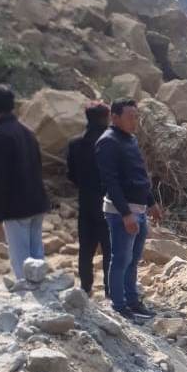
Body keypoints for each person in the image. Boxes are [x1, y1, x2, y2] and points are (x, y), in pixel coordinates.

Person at [95, 98, 162, 320]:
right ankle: (119, 305)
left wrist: (151, 203)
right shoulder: (107, 142)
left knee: (133, 260)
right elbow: (110, 182)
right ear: (115, 117)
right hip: (120, 212)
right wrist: (126, 214)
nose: (135, 121)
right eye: (130, 116)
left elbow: (140, 176)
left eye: (136, 116)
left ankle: (132, 301)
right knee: (121, 259)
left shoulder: (130, 139)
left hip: (139, 210)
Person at [0, 84, 50, 281]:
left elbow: (1, 179)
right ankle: (45, 301)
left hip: (16, 208)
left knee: (21, 262)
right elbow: (38, 169)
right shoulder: (27, 132)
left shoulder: (0, 135)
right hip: (36, 203)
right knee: (37, 257)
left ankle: (29, 304)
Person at [67, 102, 112, 297]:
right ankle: (111, 290)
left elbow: (71, 175)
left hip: (86, 201)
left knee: (86, 249)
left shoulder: (75, 144)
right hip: (110, 203)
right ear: (107, 117)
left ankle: (85, 289)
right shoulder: (113, 142)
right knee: (110, 249)